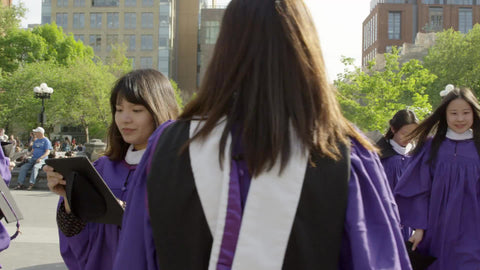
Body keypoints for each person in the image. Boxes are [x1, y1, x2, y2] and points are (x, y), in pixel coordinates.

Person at [113, 1, 412, 269]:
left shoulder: (168, 147)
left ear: (224, 51)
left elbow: (134, 257)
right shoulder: (341, 151)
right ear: (305, 50)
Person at [43, 69, 179, 270]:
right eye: (119, 109)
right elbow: (78, 238)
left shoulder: (178, 170)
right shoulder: (102, 168)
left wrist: (128, 211)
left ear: (159, 110)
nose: (125, 119)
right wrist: (70, 197)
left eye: (136, 110)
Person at [395, 86, 480, 269]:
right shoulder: (432, 148)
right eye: (454, 113)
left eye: (465, 112)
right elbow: (420, 190)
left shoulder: (478, 148)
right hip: (437, 228)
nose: (460, 118)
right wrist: (419, 228)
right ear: (445, 115)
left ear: (473, 113)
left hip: (473, 228)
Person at [376, 109, 418, 240]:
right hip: (385, 218)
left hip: (409, 221)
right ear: (393, 129)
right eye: (404, 133)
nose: (408, 138)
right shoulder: (379, 155)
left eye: (413, 134)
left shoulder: (416, 155)